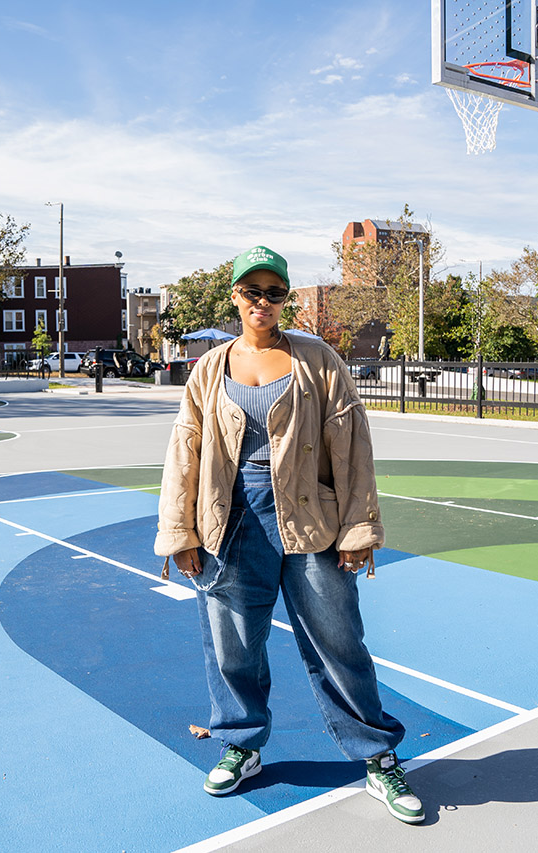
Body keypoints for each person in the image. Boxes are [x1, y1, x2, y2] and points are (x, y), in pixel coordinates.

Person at [154, 245, 424, 824]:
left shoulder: (317, 359)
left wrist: (358, 528)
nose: (263, 302)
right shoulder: (210, 368)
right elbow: (185, 450)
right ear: (236, 297)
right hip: (229, 525)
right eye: (252, 291)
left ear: (286, 298)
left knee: (338, 640)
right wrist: (180, 532)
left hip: (309, 522)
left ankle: (377, 756)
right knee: (232, 645)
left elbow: (352, 449)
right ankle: (243, 743)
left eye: (275, 292)